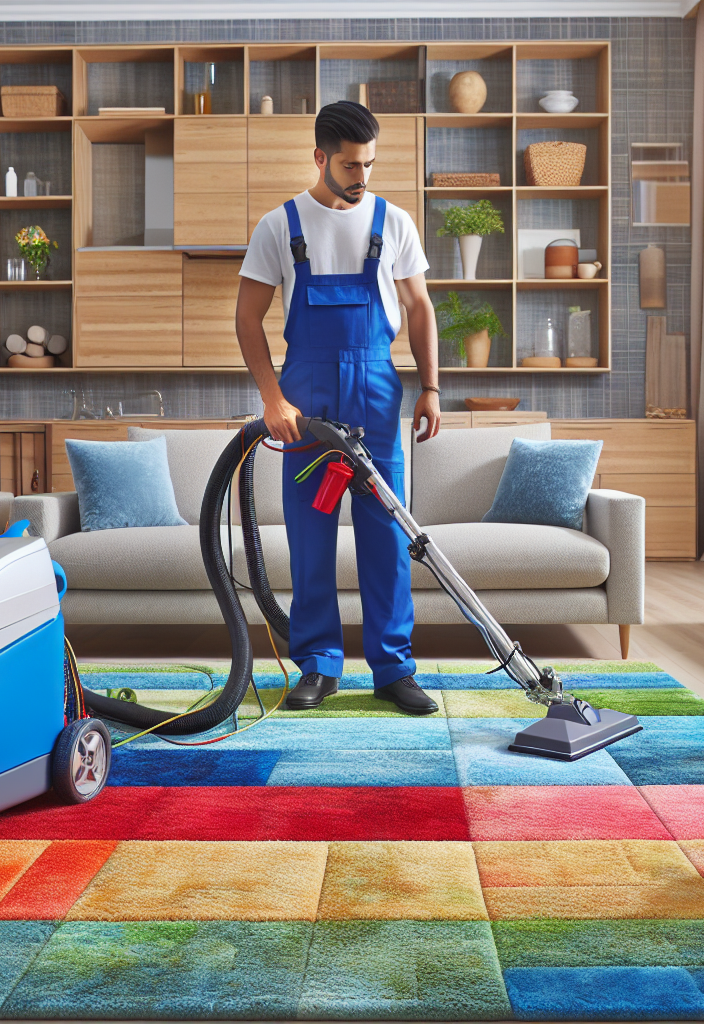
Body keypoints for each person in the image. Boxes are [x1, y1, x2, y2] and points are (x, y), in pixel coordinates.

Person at [236, 100, 441, 714]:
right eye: (351, 165)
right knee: (310, 536)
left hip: (376, 395)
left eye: (369, 164)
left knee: (385, 536)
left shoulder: (394, 221)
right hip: (306, 399)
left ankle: (393, 669)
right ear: (320, 157)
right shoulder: (280, 226)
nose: (362, 176)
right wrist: (273, 399)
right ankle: (319, 665)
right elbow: (248, 318)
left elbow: (420, 308)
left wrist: (431, 387)